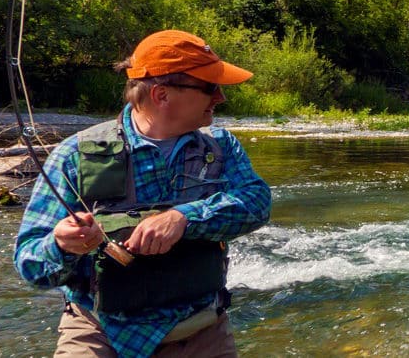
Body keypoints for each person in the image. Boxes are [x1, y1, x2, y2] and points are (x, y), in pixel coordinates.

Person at [14, 29, 272, 357]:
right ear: (162, 95)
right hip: (99, 332)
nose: (220, 97)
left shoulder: (221, 147)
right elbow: (30, 264)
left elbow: (257, 203)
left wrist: (184, 218)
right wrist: (63, 245)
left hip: (201, 333)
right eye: (209, 87)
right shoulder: (74, 155)